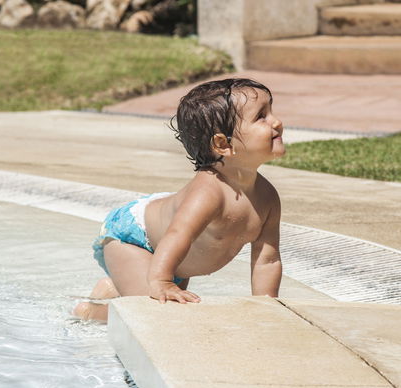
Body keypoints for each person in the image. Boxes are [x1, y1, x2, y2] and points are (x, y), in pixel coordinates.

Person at [73, 78, 285, 322]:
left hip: (172, 256)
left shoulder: (267, 197)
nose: (276, 121)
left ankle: (112, 289)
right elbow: (177, 236)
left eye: (271, 111)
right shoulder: (209, 193)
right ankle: (89, 312)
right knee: (156, 316)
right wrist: (162, 281)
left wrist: (266, 308)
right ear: (223, 144)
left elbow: (267, 260)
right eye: (261, 116)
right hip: (135, 240)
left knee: (174, 312)